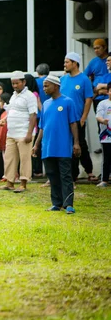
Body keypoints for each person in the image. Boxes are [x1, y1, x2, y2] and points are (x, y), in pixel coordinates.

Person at [32, 75, 80, 214]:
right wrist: (36, 144)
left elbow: (73, 124)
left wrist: (76, 143)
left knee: (65, 175)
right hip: (48, 147)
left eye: (47, 85)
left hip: (63, 146)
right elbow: (42, 127)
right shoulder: (46, 104)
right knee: (52, 175)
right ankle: (56, 203)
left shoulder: (68, 102)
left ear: (56, 86)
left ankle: (68, 204)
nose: (44, 88)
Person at [0, 71, 38, 193]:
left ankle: (23, 184)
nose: (14, 86)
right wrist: (4, 119)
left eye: (17, 83)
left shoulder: (30, 96)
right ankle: (9, 183)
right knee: (9, 158)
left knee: (24, 158)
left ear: (24, 82)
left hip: (24, 133)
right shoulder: (14, 96)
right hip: (11, 133)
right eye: (13, 83)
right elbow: (12, 111)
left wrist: (29, 133)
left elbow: (33, 115)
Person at [60, 52, 97, 183]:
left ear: (75, 63)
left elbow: (88, 99)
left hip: (77, 118)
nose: (64, 65)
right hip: (64, 118)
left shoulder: (84, 79)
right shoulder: (63, 79)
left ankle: (88, 170)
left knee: (80, 144)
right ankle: (71, 174)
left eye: (67, 62)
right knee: (67, 145)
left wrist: (83, 117)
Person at [85, 39, 109, 112]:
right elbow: (84, 76)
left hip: (108, 95)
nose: (96, 50)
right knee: (99, 120)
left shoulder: (109, 60)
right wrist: (91, 88)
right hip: (97, 96)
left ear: (105, 47)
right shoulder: (93, 62)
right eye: (94, 48)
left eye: (98, 48)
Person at [95, 82, 111, 187]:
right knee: (107, 158)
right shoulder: (103, 103)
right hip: (107, 136)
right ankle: (104, 180)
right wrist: (103, 121)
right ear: (108, 92)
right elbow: (98, 116)